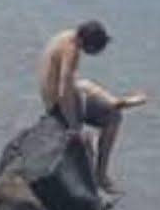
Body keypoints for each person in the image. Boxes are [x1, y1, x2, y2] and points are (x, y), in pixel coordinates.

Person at [38, 21, 119, 188]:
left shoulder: (64, 37)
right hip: (58, 105)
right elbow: (64, 89)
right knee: (113, 117)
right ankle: (101, 175)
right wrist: (73, 126)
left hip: (50, 99)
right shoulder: (71, 49)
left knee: (88, 86)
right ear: (87, 43)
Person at [74, 78, 147, 193]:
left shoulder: (66, 86)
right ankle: (101, 175)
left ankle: (99, 176)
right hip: (75, 115)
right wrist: (138, 100)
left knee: (91, 133)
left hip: (63, 118)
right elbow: (115, 103)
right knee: (115, 115)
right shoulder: (83, 85)